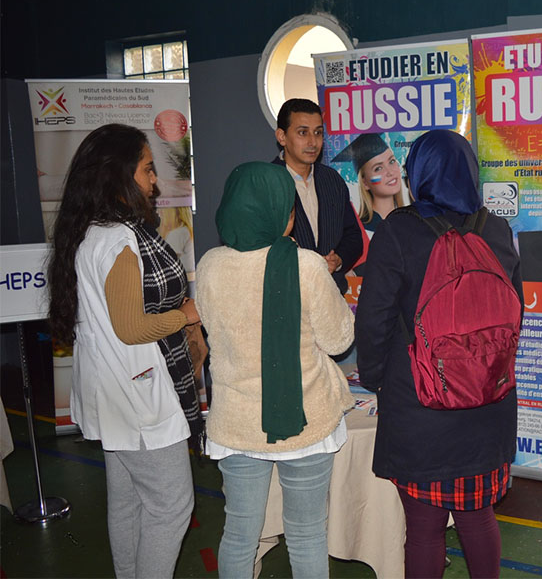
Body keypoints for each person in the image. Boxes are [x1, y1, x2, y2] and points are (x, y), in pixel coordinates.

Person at [354, 130, 523, 579]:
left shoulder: (398, 231)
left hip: (420, 404)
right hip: (489, 402)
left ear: (418, 175)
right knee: (478, 517)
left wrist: (374, 378)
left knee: (425, 528)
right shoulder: (499, 230)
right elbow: (513, 315)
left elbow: (374, 319)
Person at [47, 123, 202, 578]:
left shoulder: (91, 231)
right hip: (137, 398)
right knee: (173, 505)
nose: (155, 180)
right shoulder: (120, 240)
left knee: (130, 502)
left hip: (112, 393)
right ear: (118, 175)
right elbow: (133, 328)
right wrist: (188, 316)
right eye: (148, 170)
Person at [195, 162, 355, 578]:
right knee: (306, 533)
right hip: (305, 421)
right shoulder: (307, 266)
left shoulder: (210, 265)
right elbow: (339, 341)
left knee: (240, 532)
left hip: (235, 423)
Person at [272, 98, 362, 294]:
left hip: (332, 293)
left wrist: (338, 259)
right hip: (287, 297)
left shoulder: (332, 180)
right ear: (282, 136)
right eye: (303, 133)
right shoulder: (266, 183)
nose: (313, 142)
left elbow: (353, 236)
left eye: (318, 133)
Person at [331, 133, 405, 233]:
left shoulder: (410, 220)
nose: (390, 172)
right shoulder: (361, 230)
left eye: (391, 161)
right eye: (378, 168)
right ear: (365, 183)